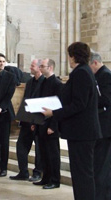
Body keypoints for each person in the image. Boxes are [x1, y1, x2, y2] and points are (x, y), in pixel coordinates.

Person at [43, 42, 101, 200]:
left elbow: (79, 104)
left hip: (82, 132)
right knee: (80, 173)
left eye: (69, 55)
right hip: (81, 131)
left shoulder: (81, 72)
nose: (68, 58)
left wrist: (54, 113)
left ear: (73, 56)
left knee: (82, 174)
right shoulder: (82, 71)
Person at [9, 59, 43, 181]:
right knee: (21, 146)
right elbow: (25, 100)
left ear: (40, 67)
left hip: (39, 120)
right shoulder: (29, 82)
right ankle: (23, 172)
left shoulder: (44, 82)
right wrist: (21, 118)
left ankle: (38, 172)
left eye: (32, 65)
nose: (30, 68)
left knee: (39, 148)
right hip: (27, 120)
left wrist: (35, 121)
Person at [33, 58, 63, 189]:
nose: (40, 68)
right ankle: (45, 178)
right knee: (43, 153)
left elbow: (59, 107)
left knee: (53, 154)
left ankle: (55, 180)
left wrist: (53, 126)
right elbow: (40, 103)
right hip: (41, 123)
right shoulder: (42, 82)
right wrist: (35, 122)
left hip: (51, 124)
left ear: (50, 67)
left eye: (42, 66)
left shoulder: (57, 84)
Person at [89, 52, 111, 200]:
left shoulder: (106, 75)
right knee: (98, 164)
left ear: (95, 63)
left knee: (103, 165)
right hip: (99, 126)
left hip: (106, 127)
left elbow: (106, 100)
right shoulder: (99, 75)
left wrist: (88, 99)